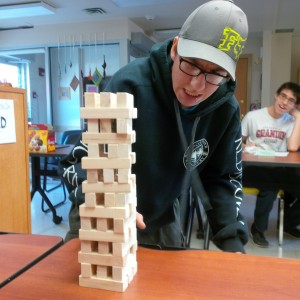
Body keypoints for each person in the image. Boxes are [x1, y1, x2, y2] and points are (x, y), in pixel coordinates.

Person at [60, 0, 249, 253]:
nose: (196, 85)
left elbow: (222, 178)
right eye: (191, 64)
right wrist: (108, 205)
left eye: (214, 74)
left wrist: (232, 242)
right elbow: (87, 160)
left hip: (160, 216)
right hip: (102, 211)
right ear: (175, 48)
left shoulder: (225, 110)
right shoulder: (128, 85)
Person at [242, 81, 300, 247]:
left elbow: (293, 147)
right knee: (269, 187)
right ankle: (258, 230)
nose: (284, 102)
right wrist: (246, 146)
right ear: (276, 95)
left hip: (280, 168)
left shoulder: (291, 121)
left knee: (274, 181)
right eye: (283, 96)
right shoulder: (253, 117)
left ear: (295, 105)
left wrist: (298, 117)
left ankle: (288, 224)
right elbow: (237, 141)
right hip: (254, 167)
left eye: (291, 100)